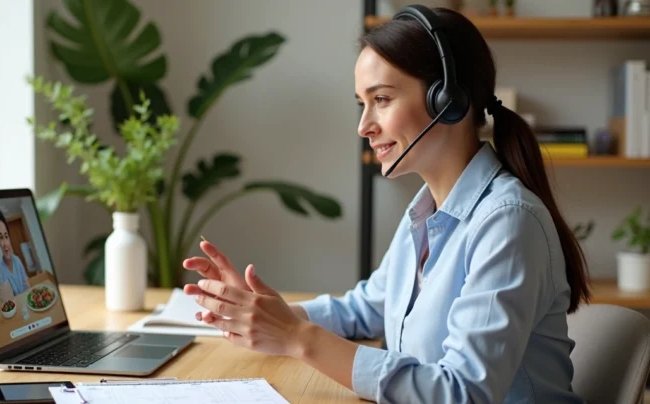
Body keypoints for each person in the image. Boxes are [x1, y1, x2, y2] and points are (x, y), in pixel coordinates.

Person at [181, 6, 591, 404]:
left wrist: (297, 338)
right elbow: (365, 310)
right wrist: (268, 314)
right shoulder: (426, 211)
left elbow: (463, 393)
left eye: (382, 99)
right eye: (363, 103)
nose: (364, 126)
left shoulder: (508, 222)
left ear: (446, 100)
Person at [0, 209, 31, 296]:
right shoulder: (1, 271)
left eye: (6, 236)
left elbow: (26, 280)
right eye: (1, 237)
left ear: (9, 238)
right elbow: (8, 299)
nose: (5, 243)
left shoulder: (17, 260)